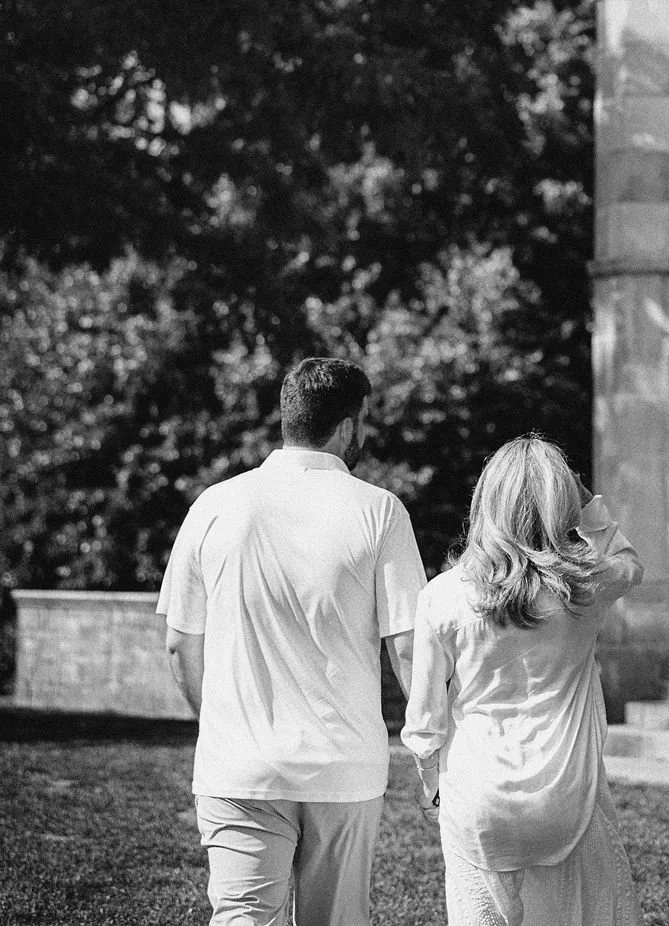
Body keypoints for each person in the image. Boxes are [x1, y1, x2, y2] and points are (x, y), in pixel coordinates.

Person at [157, 356, 426, 926]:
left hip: (240, 766)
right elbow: (408, 648)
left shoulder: (214, 505)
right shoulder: (380, 511)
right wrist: (435, 743)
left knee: (242, 918)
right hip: (344, 766)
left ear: (289, 417)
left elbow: (181, 644)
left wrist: (223, 723)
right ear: (351, 424)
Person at [401, 434, 643, 926]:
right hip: (568, 797)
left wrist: (433, 793)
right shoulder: (587, 587)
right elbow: (631, 563)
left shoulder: (442, 597)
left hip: (476, 800)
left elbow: (425, 725)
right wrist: (588, 505)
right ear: (563, 503)